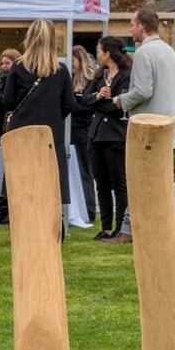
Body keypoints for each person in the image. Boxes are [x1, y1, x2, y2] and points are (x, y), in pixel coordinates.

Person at [111, 8, 175, 239]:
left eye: (132, 24)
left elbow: (142, 91)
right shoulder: (170, 52)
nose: (130, 29)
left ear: (141, 26)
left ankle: (128, 231)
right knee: (161, 186)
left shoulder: (143, 53)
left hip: (148, 129)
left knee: (139, 181)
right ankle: (158, 230)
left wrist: (120, 100)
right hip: (170, 128)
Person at [0, 19, 78, 207]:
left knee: (23, 188)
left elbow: (7, 102)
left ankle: (24, 231)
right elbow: (69, 104)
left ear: (29, 38)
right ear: (52, 40)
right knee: (49, 187)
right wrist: (53, 117)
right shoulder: (60, 71)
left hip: (22, 132)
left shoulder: (18, 67)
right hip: (50, 134)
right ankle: (49, 232)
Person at [82, 37, 133, 241]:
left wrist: (99, 101)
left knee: (118, 184)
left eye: (99, 50)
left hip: (115, 136)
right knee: (101, 184)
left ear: (108, 53)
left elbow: (118, 106)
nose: (97, 53)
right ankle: (105, 227)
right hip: (96, 136)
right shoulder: (99, 75)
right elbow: (84, 100)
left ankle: (121, 228)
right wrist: (97, 97)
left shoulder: (127, 76)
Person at [67, 45, 101, 219]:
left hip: (83, 129)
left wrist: (80, 102)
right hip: (70, 129)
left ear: (80, 60)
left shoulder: (90, 81)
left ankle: (89, 210)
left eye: (72, 60)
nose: (70, 64)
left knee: (84, 170)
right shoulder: (70, 80)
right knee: (73, 170)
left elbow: (88, 104)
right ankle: (76, 209)